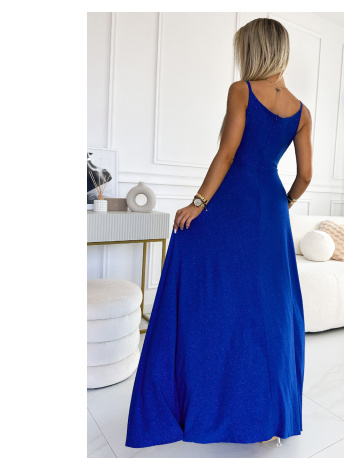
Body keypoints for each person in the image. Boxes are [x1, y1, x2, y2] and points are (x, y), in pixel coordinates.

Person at [125, 17, 313, 448]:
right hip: (271, 208)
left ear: (253, 49)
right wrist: (283, 204)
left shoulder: (242, 90)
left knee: (216, 293)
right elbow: (305, 176)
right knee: (271, 308)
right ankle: (271, 418)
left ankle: (205, 396)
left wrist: (197, 203)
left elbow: (227, 154)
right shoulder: (302, 112)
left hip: (233, 201)